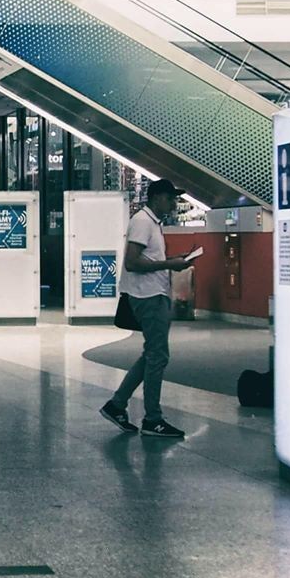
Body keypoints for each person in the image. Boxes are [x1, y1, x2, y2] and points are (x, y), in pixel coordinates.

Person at [101, 179, 192, 438]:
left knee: (152, 355)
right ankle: (152, 419)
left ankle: (117, 404)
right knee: (158, 356)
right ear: (157, 198)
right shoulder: (143, 222)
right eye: (171, 198)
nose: (174, 203)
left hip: (153, 295)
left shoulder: (152, 223)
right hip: (147, 297)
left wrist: (171, 262)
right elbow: (132, 262)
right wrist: (169, 265)